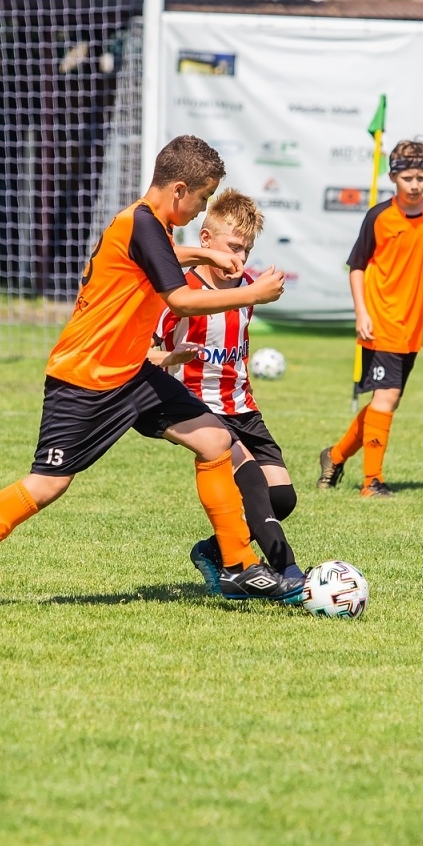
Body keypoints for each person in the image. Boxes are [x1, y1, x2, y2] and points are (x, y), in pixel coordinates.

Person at [0, 135, 296, 607]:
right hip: (86, 378)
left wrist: (208, 255)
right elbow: (180, 298)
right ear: (179, 189)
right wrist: (252, 294)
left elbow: (165, 258)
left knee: (215, 439)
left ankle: (239, 565)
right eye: (201, 198)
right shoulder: (140, 223)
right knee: (48, 483)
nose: (201, 210)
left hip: (132, 372)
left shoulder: (146, 223)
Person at [149, 189, 305, 596]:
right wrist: (168, 358)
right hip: (201, 408)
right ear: (206, 241)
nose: (239, 259)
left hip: (244, 407)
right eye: (233, 247)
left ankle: (212, 551)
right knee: (250, 478)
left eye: (247, 250)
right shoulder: (178, 293)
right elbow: (144, 354)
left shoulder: (247, 288)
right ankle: (287, 573)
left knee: (281, 497)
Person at [318, 139, 423, 498]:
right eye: (407, 176)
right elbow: (357, 267)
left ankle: (333, 456)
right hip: (380, 322)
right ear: (393, 177)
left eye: (421, 177)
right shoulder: (379, 216)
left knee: (386, 402)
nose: (415, 184)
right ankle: (371, 483)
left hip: (413, 328)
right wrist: (362, 312)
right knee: (385, 399)